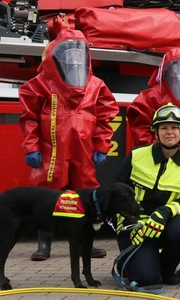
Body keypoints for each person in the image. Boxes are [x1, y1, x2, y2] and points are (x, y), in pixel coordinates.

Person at [19, 29, 118, 261]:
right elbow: (28, 118)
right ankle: (44, 243)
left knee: (87, 194)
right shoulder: (41, 84)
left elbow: (105, 119)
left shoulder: (95, 86)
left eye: (78, 53)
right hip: (52, 149)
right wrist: (31, 146)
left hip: (83, 150)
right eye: (69, 54)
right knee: (48, 194)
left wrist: (102, 146)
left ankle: (87, 243)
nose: (74, 59)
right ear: (57, 55)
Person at [116, 104, 180, 293]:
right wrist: (132, 223)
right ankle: (133, 261)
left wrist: (165, 212)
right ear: (156, 132)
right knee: (146, 279)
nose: (169, 132)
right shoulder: (136, 157)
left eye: (174, 128)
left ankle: (166, 267)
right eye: (163, 127)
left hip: (165, 225)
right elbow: (116, 194)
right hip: (135, 228)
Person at [127, 47, 180, 166]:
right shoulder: (152, 96)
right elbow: (140, 127)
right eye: (176, 67)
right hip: (159, 154)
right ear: (166, 69)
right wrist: (149, 150)